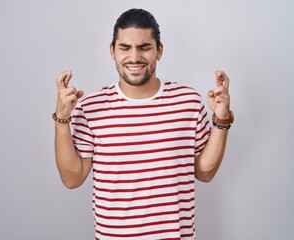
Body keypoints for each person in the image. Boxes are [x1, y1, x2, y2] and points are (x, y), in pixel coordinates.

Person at [54, 8, 233, 240]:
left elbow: (204, 172)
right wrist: (62, 120)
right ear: (112, 51)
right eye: (125, 47)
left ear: (159, 50)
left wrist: (221, 119)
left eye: (144, 47)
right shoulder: (90, 107)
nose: (135, 57)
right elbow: (72, 179)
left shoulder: (188, 101)